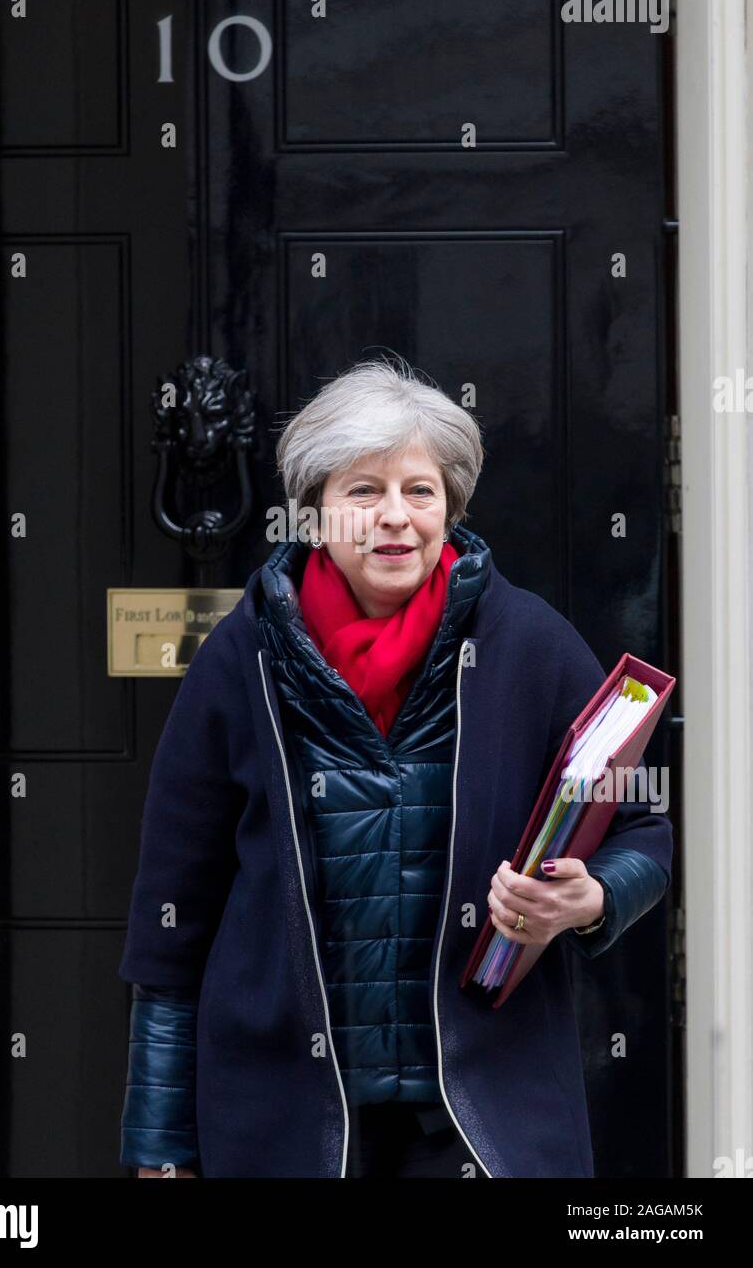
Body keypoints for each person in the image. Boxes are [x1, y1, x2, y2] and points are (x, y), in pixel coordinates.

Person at [117, 357, 672, 1178]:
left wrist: (589, 900)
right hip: (285, 1125)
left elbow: (644, 831)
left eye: (420, 490)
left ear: (450, 506)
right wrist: (159, 1148)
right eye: (363, 492)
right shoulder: (241, 657)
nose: (396, 518)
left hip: (482, 1125)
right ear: (315, 514)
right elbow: (174, 919)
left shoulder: (528, 640)